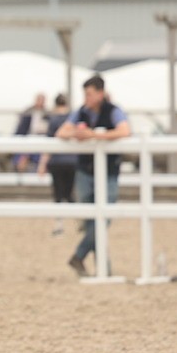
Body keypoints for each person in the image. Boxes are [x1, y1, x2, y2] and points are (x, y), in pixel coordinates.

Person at [57, 75, 131, 277]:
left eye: (89, 93)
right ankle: (103, 269)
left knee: (103, 217)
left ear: (100, 93)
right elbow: (61, 132)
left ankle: (79, 255)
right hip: (85, 172)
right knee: (93, 220)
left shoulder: (113, 111)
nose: (86, 98)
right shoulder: (81, 112)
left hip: (108, 171)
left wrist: (94, 136)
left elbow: (125, 131)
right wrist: (79, 134)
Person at [37, 93, 77, 235]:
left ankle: (59, 225)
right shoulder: (73, 118)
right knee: (70, 193)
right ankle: (79, 220)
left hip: (56, 161)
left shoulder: (53, 120)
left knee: (58, 194)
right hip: (72, 161)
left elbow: (48, 144)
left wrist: (42, 164)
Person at [13, 93, 47, 172]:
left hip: (41, 142)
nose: (41, 103)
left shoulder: (47, 113)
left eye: (42, 101)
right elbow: (20, 131)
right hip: (27, 140)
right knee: (22, 155)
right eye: (39, 100)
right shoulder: (28, 113)